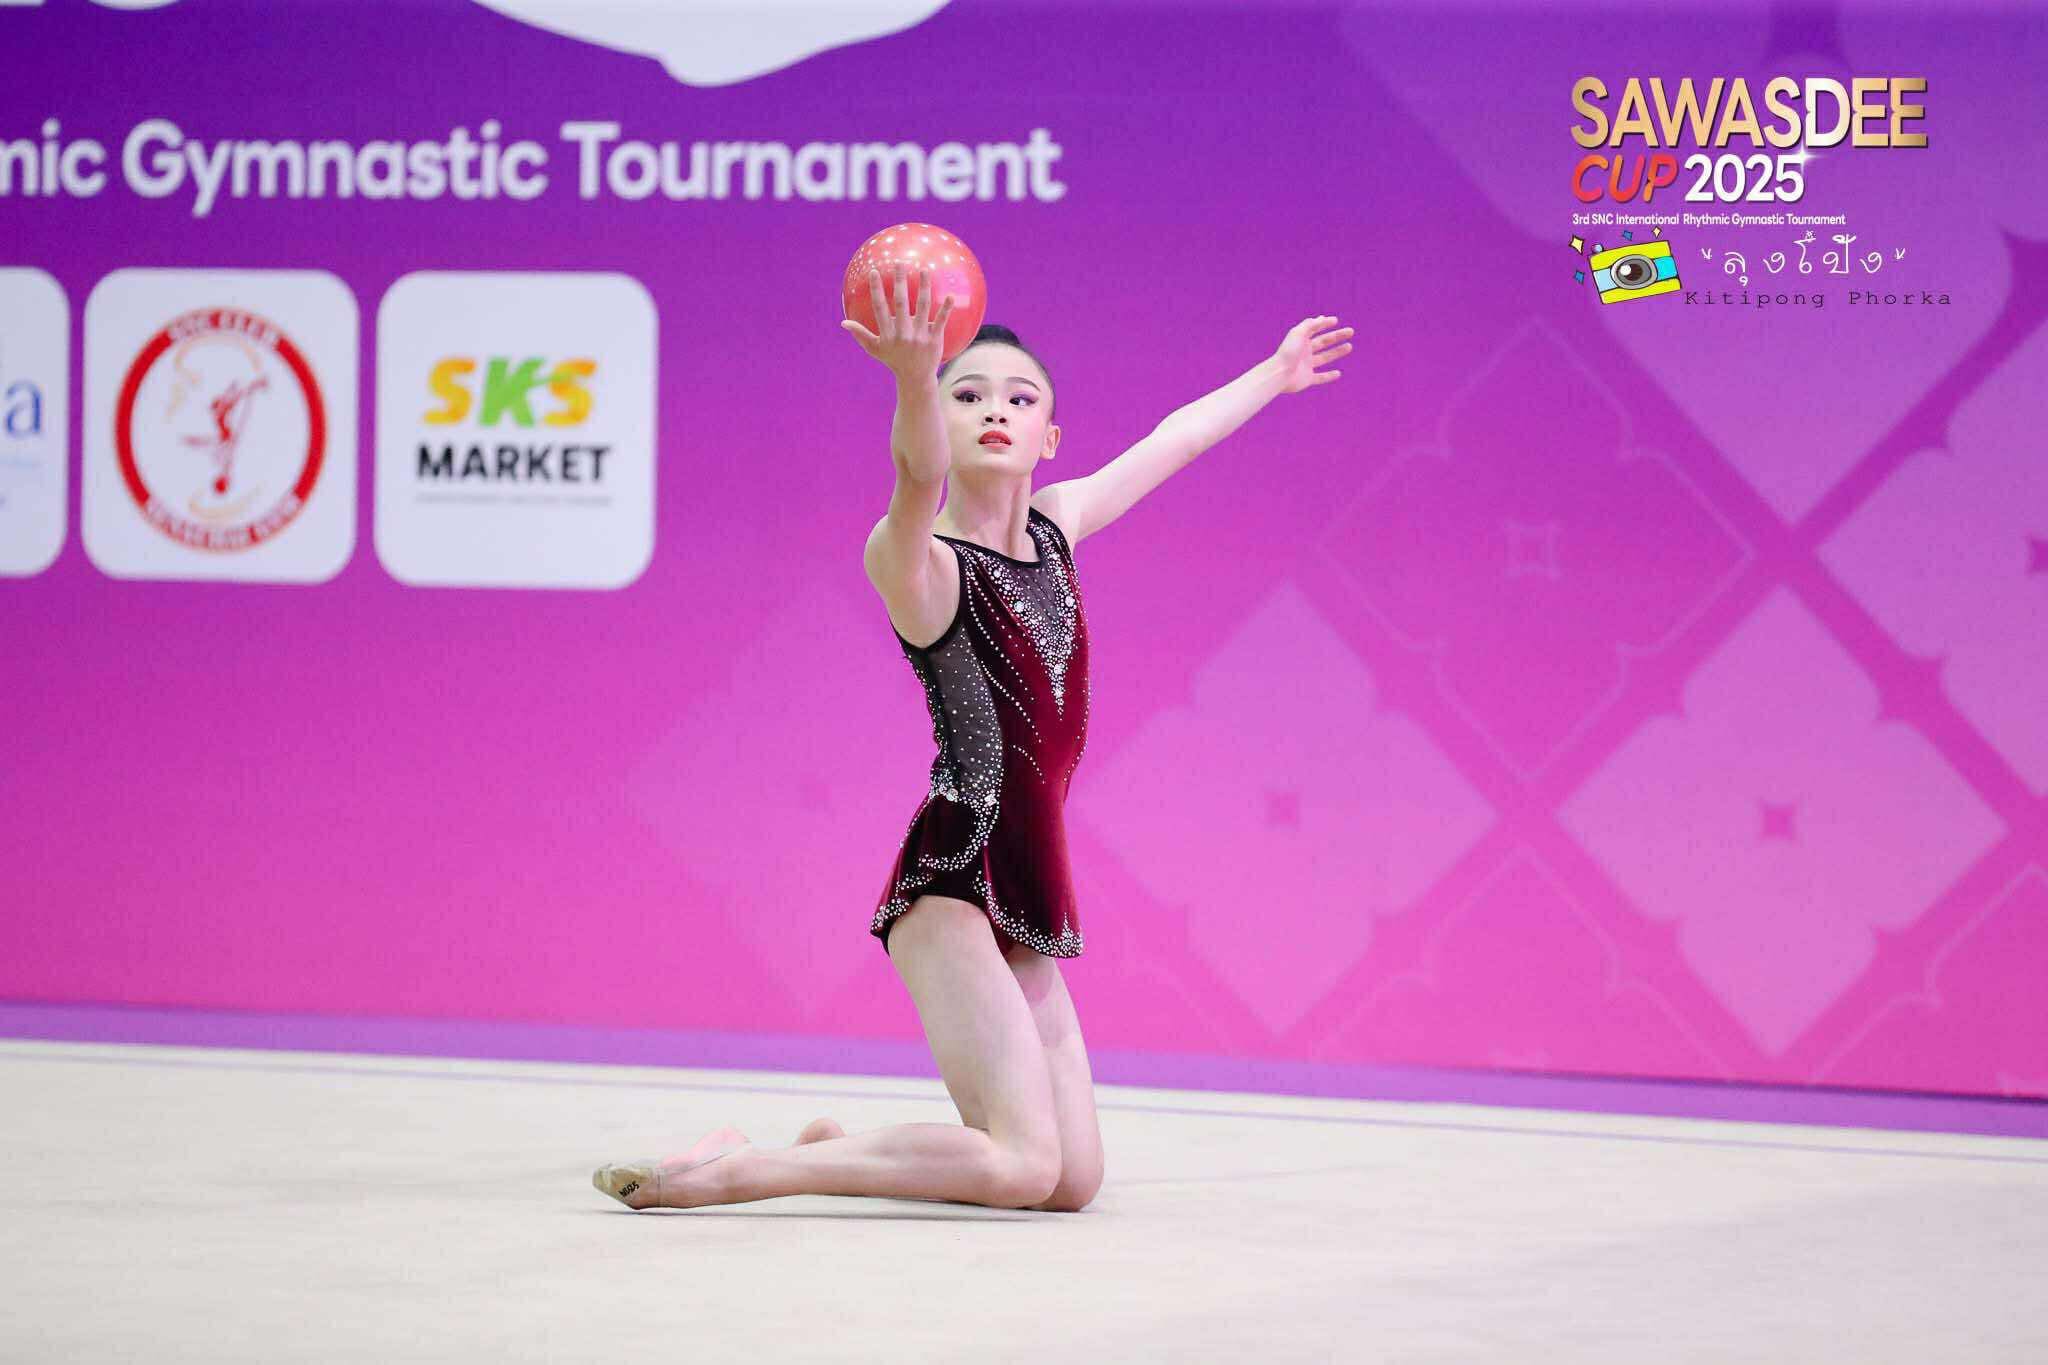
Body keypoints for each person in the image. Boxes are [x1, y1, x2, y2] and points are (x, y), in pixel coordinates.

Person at [593, 262, 1350, 1213]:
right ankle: (746, 1170)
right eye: (968, 395)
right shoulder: (917, 562)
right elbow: (915, 476)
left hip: (1030, 882)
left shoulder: (1059, 525)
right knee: (1022, 1164)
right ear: (942, 423)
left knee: (1070, 1182)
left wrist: (1275, 373)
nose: (996, 408)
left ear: (1049, 436)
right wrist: (914, 377)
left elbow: (1176, 440)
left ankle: (835, 1147)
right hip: (953, 877)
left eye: (1020, 398)